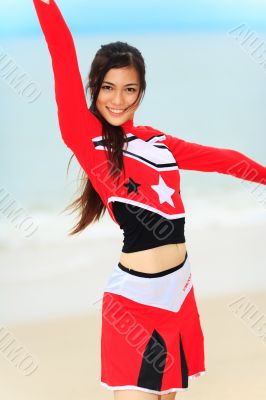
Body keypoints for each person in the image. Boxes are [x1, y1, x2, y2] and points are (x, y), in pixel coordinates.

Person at [32, 1, 266, 399]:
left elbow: (224, 161)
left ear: (141, 93)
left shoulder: (159, 142)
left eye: (129, 89)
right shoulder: (84, 135)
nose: (118, 99)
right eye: (107, 87)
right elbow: (60, 47)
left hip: (179, 292)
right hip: (133, 302)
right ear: (94, 88)